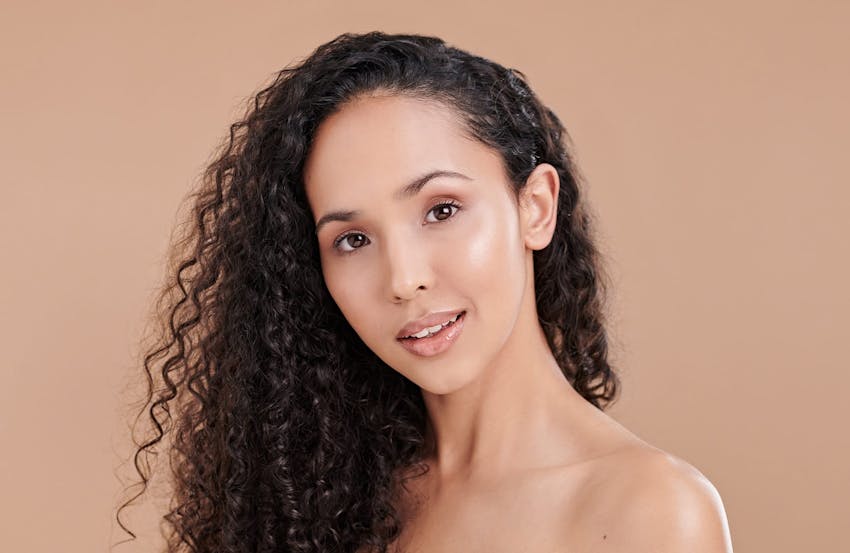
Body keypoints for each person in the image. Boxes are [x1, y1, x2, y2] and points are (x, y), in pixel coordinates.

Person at [118, 31, 734, 553]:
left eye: (441, 210)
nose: (403, 278)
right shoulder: (328, 502)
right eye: (353, 239)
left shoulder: (651, 514)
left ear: (536, 208)